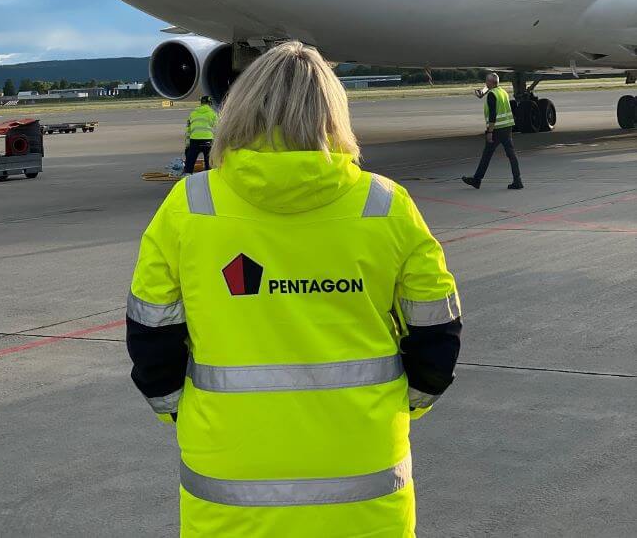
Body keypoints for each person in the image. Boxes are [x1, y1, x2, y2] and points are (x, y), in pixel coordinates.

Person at [127, 41, 462, 537]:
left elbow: (151, 342)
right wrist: (395, 402)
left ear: (238, 108)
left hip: (229, 478)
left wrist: (192, 413)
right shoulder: (385, 206)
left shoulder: (190, 206)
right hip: (363, 481)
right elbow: (438, 339)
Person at [462, 72, 523, 190]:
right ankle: (518, 180)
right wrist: (483, 91)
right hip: (507, 127)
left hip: (496, 130)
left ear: (490, 82)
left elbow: (493, 115)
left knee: (487, 155)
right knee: (511, 155)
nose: (485, 83)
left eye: (486, 81)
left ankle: (477, 180)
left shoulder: (492, 95)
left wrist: (490, 132)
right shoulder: (502, 92)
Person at [182, 95, 217, 174]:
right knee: (209, 161)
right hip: (208, 140)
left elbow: (188, 130)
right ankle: (209, 176)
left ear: (201, 103)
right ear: (210, 103)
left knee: (190, 161)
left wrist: (187, 144)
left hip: (194, 140)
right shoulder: (212, 114)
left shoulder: (193, 113)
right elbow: (217, 129)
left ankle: (187, 176)